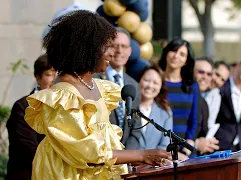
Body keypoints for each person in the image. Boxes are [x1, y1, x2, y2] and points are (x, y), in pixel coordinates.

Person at [24, 10, 171, 180]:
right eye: (106, 46)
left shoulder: (100, 87)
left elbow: (106, 144)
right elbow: (88, 153)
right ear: (86, 48)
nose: (112, 53)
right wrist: (140, 155)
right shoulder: (62, 96)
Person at [5, 54, 56, 180]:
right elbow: (29, 149)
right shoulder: (23, 107)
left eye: (58, 74)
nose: (55, 79)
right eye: (49, 74)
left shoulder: (64, 106)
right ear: (38, 78)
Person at [94, 27, 142, 150]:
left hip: (126, 161)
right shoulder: (94, 80)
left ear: (130, 51)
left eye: (124, 46)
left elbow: (135, 128)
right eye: (115, 46)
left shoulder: (134, 85)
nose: (120, 51)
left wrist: (127, 157)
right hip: (100, 154)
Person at [158, 38, 201, 159]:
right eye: (174, 51)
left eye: (182, 54)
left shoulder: (191, 86)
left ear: (186, 61)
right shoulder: (155, 82)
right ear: (167, 52)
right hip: (159, 149)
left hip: (185, 150)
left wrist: (188, 145)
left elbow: (195, 119)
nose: (176, 56)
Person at [138, 66, 173, 150]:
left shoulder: (165, 113)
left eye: (155, 83)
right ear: (139, 81)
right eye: (146, 80)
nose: (150, 85)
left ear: (161, 87)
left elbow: (165, 145)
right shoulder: (127, 107)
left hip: (154, 162)